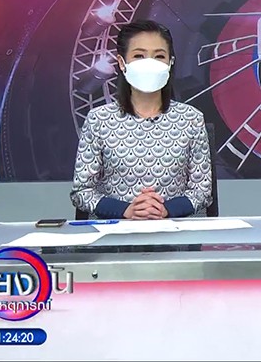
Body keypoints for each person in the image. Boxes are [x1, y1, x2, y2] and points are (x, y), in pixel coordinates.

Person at [70, 20, 213, 219]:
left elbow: (202, 192)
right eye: (139, 56)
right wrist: (127, 210)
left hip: (173, 232)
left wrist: (164, 210)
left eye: (159, 56)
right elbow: (82, 192)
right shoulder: (99, 120)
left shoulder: (191, 119)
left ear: (170, 63)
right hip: (115, 232)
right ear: (122, 63)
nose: (149, 63)